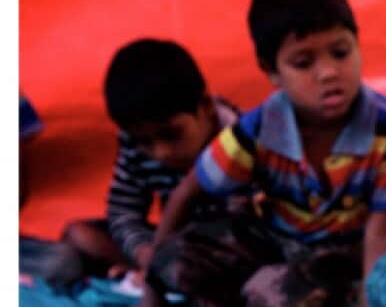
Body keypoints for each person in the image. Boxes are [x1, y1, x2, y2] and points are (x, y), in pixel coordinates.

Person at [141, 0, 386, 307]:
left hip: (341, 256)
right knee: (174, 260)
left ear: (358, 45)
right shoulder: (258, 127)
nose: (328, 72)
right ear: (271, 71)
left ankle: (321, 300)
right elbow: (187, 192)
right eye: (303, 63)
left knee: (273, 305)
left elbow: (382, 231)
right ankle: (279, 293)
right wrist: (150, 294)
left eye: (341, 52)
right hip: (275, 241)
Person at [30, 40, 240, 290]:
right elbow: (123, 211)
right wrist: (144, 253)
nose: (160, 152)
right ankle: (145, 276)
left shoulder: (242, 141)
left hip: (227, 249)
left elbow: (254, 227)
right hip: (167, 244)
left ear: (205, 107)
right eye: (144, 142)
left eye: (171, 135)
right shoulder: (135, 140)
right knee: (80, 236)